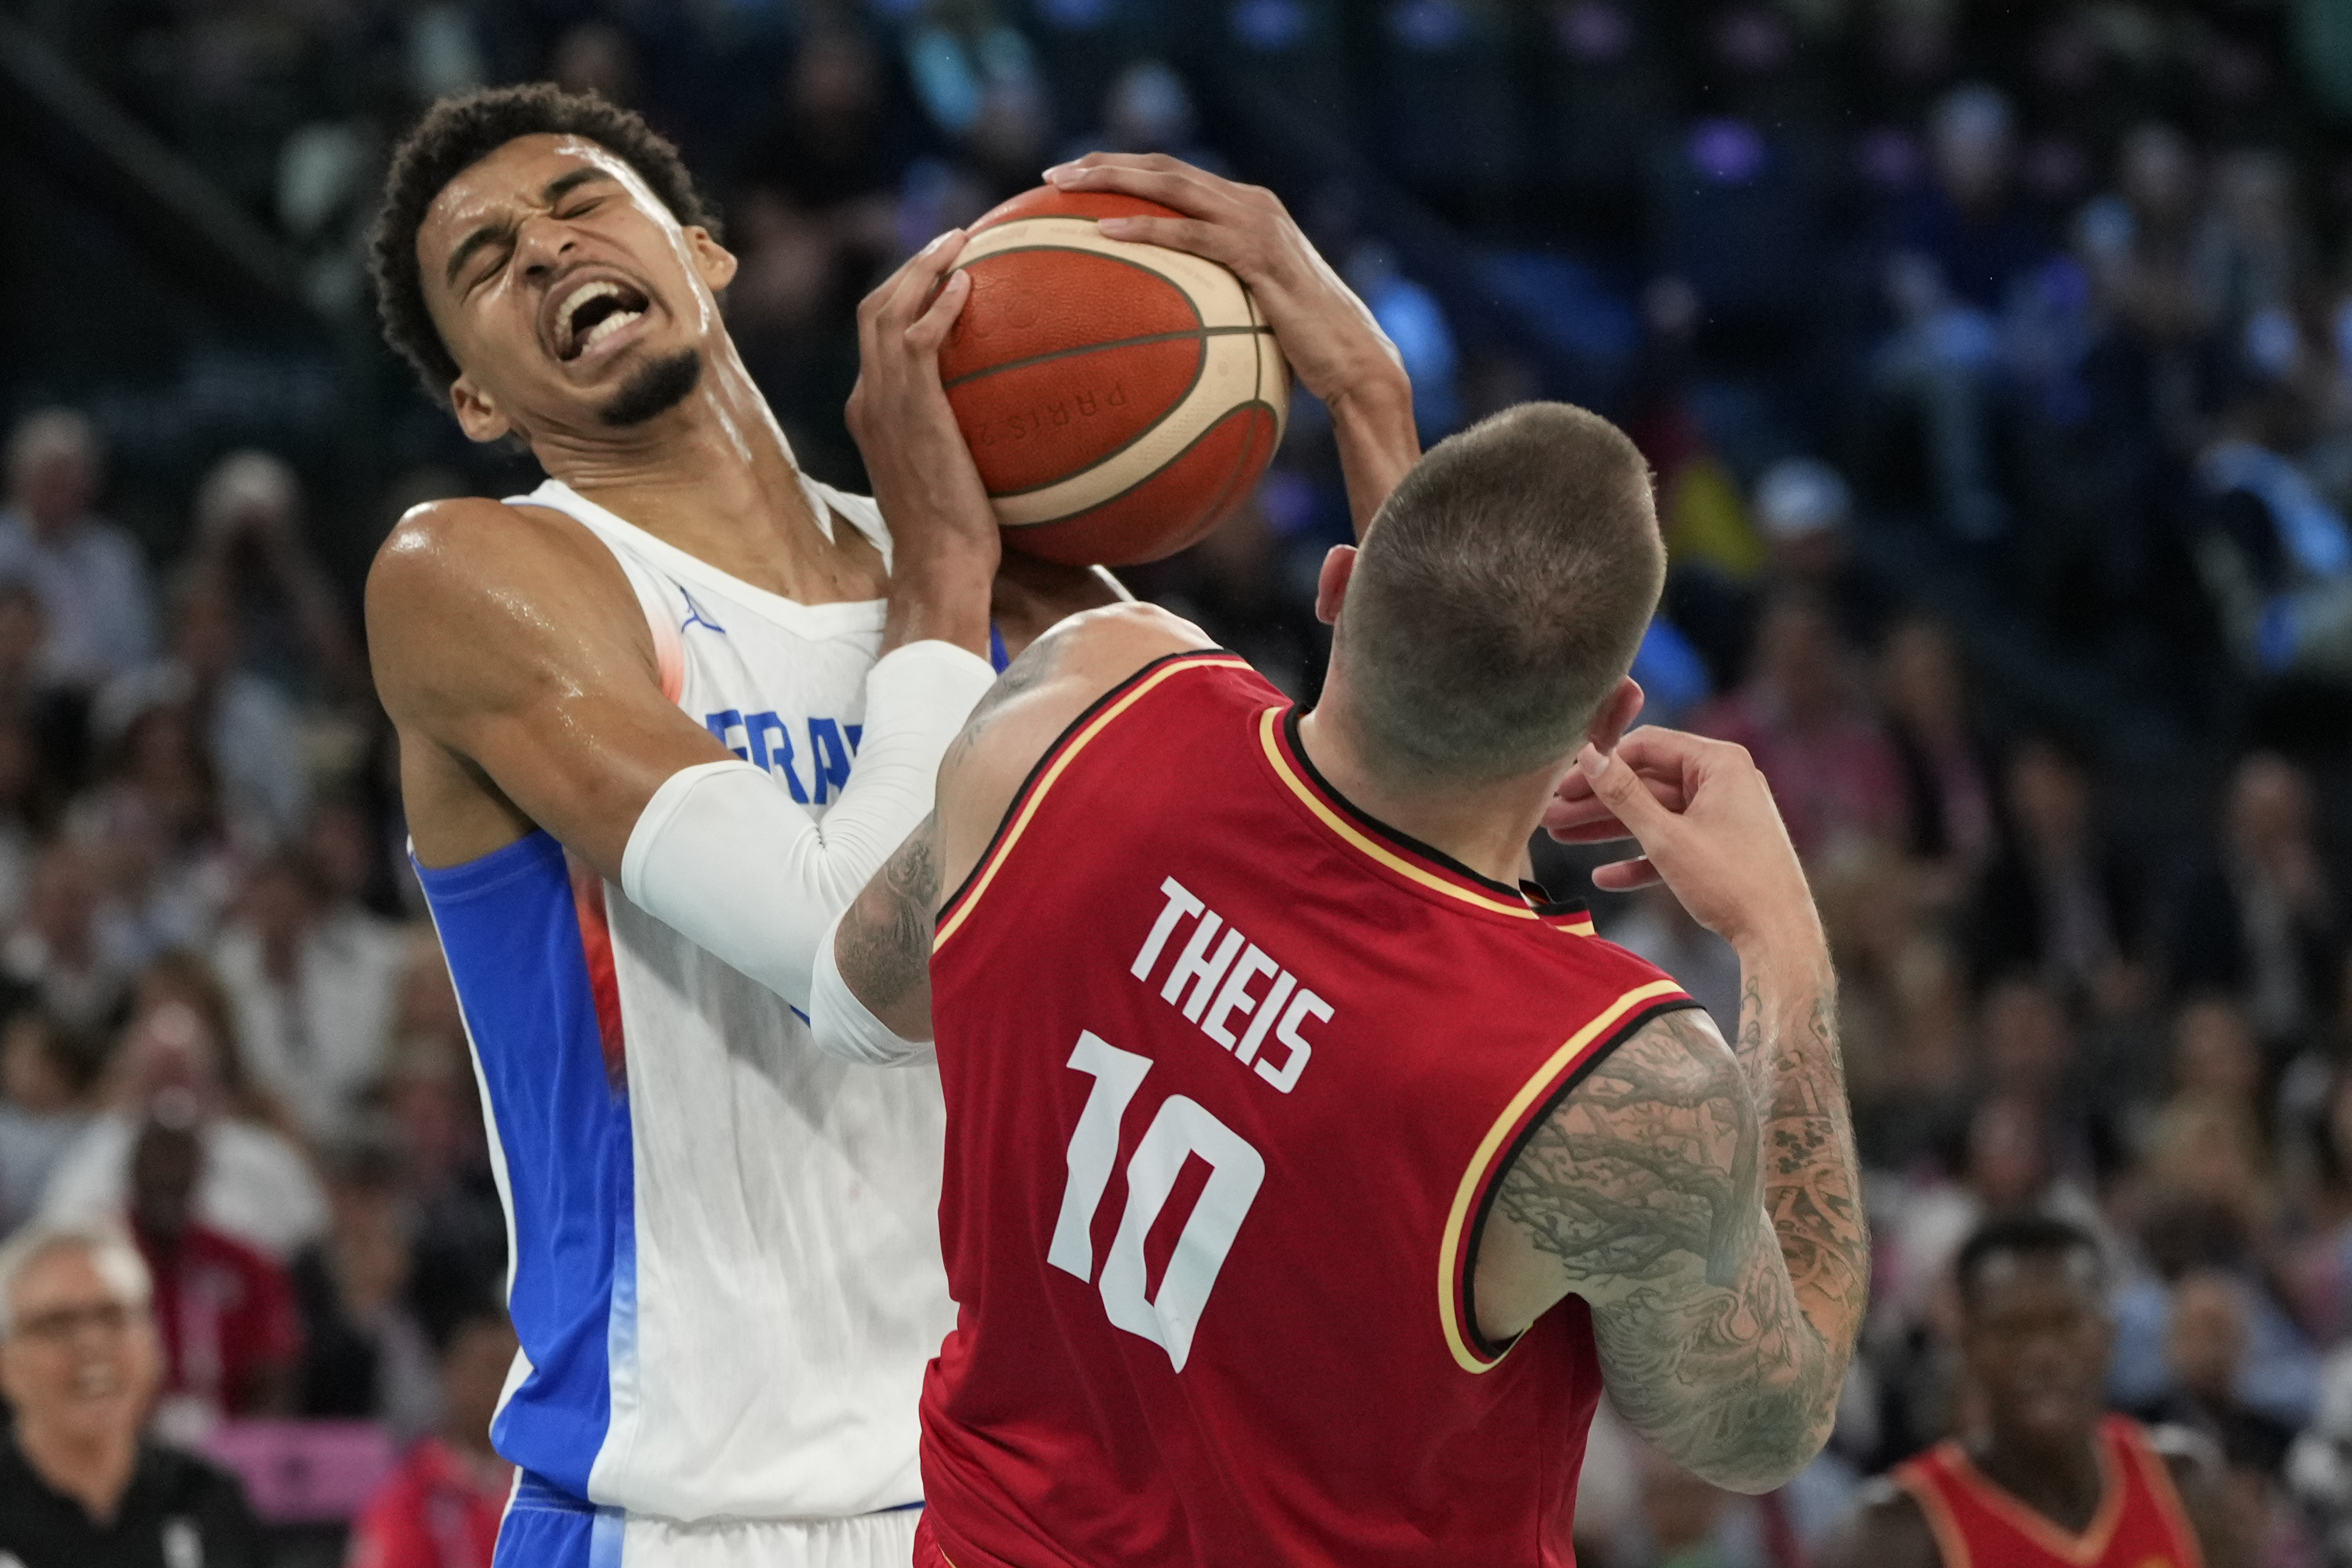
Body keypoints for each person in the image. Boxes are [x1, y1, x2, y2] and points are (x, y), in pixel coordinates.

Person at [362, 84, 1414, 1565]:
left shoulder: (1007, 587)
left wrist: (1366, 395)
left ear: (704, 249)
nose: (541, 248)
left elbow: (1368, 887)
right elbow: (858, 973)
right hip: (687, 1511)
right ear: (478, 401)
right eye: (485, 263)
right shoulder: (478, 575)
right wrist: (941, 583)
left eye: (580, 200)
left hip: (1017, 1494)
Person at [814, 399, 1865, 1564]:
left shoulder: (1083, 696)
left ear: (1338, 584)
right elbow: (1760, 1431)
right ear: (1611, 719)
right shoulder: (1610, 1081)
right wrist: (1783, 940)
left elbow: (865, 992)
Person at [1818, 1213, 2238, 1568]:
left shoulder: (2184, 1486)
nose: (2043, 1355)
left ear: (2107, 1336)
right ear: (1967, 1347)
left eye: (2066, 1323)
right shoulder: (1893, 1535)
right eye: (2011, 1330)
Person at [0, 1223, 266, 1567]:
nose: (92, 1345)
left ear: (155, 1347)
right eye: (58, 1323)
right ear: (7, 1364)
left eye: (114, 1316)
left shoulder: (205, 1498)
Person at [347, 1292, 522, 1568]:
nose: (503, 1386)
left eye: (514, 1371)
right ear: (448, 1374)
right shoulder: (409, 1500)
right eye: (490, 1369)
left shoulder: (549, 1488)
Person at [0, 410, 157, 690]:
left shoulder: (115, 555)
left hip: (101, 698)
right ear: (18, 481)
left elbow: (137, 650)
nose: (59, 494)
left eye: (68, 482)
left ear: (91, 486)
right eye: (49, 481)